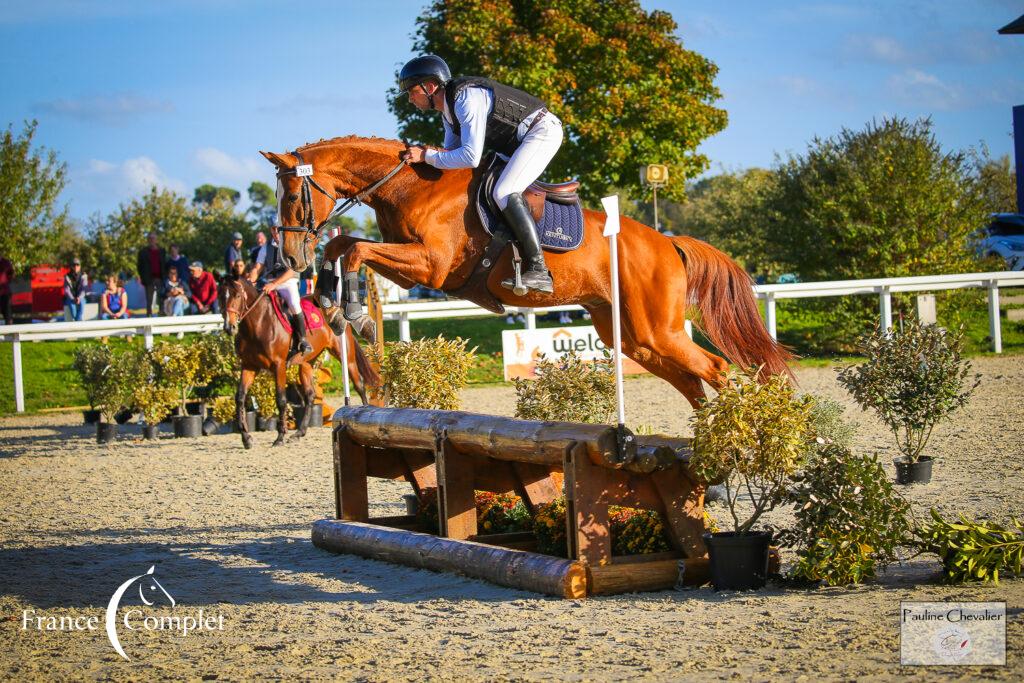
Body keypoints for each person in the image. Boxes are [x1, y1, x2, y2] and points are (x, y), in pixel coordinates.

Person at [397, 54, 563, 294]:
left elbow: (470, 157)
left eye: (412, 91)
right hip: (517, 143)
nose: (410, 99)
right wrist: (425, 158)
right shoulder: (448, 111)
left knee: (504, 191)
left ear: (430, 87)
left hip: (541, 132)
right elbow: (450, 154)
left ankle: (538, 269)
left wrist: (426, 156)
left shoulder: (466, 99)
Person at [260, 224, 312, 355]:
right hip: (269, 282)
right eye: (274, 229)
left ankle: (302, 340)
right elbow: (257, 266)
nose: (276, 231)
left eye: (279, 228)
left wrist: (274, 284)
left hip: (288, 282)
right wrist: (251, 278)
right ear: (271, 230)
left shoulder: (291, 246)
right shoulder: (265, 247)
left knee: (294, 305)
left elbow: (290, 272)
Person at [136, 232, 166, 317]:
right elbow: (139, 266)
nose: (152, 240)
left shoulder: (162, 251)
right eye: (150, 238)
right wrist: (143, 278)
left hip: (160, 278)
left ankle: (161, 313)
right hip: (149, 279)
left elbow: (164, 264)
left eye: (153, 238)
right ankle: (149, 315)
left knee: (161, 297)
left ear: (156, 240)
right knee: (149, 299)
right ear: (148, 240)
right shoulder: (143, 252)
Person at [63, 257, 88, 322]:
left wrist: (79, 298)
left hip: (80, 297)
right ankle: (77, 320)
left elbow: (84, 289)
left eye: (77, 265)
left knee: (82, 304)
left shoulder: (84, 275)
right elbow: (67, 290)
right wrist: (72, 298)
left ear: (80, 266)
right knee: (72, 308)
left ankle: (77, 321)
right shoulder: (67, 276)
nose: (76, 266)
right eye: (74, 265)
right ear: (71, 266)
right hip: (71, 298)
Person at [0, 254, 12, 325]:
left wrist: (5, 283)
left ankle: (10, 333)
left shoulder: (5, 262)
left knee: (7, 315)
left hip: (4, 292)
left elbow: (11, 274)